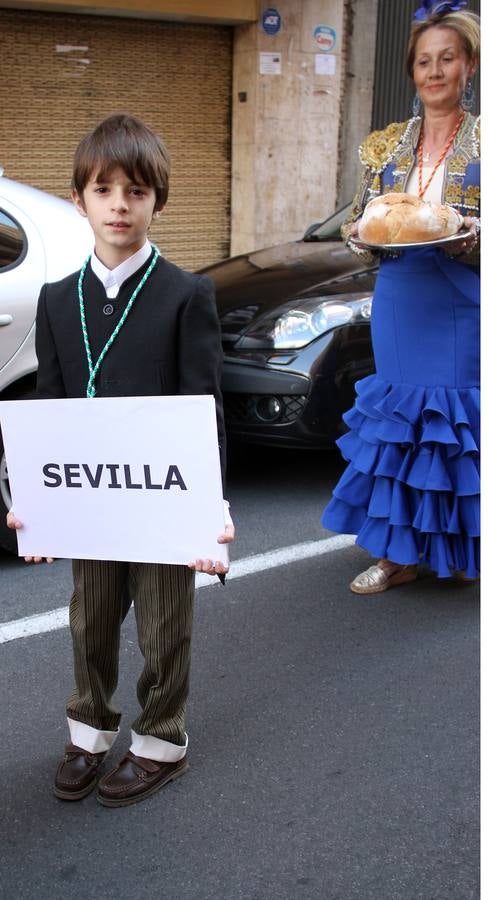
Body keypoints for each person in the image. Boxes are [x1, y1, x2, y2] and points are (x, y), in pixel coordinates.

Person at [6, 113, 235, 806]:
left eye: (135, 192)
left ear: (156, 202)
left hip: (163, 499)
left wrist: (209, 511)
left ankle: (162, 739)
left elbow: (205, 407)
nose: (119, 205)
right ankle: (89, 728)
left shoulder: (184, 293)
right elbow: (47, 407)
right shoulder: (56, 300)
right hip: (93, 501)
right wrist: (37, 505)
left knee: (165, 626)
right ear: (79, 200)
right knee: (91, 620)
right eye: (103, 190)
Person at [322, 1, 480, 594]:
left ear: (468, 65)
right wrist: (361, 236)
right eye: (423, 62)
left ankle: (462, 547)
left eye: (447, 59)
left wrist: (469, 237)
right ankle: (397, 555)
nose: (434, 71)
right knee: (399, 423)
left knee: (452, 422)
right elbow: (359, 224)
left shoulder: (485, 142)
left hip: (460, 294)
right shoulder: (385, 146)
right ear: (412, 72)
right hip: (399, 295)